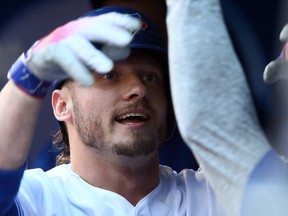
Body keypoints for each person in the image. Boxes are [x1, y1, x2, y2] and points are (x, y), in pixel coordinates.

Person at [0, 0, 288, 216]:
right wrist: (27, 76)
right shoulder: (39, 199)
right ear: (62, 105)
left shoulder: (217, 197)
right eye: (109, 75)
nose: (138, 89)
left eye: (150, 77)